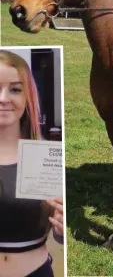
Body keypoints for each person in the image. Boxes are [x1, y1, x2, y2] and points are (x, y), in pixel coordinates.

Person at [0, 50, 64, 277]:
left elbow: (59, 236)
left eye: (15, 89)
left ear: (28, 96)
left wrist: (63, 228)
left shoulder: (45, 159)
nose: (3, 98)